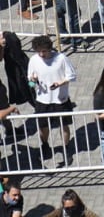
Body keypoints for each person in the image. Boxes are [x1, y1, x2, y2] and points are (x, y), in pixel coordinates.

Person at [28, 34, 77, 167]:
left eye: (44, 51)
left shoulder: (61, 58)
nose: (41, 54)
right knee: (43, 126)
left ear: (49, 49)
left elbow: (72, 76)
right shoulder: (34, 60)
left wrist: (60, 83)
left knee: (63, 125)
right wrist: (33, 81)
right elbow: (30, 82)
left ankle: (66, 148)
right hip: (42, 100)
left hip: (60, 99)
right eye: (39, 51)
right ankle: (45, 145)